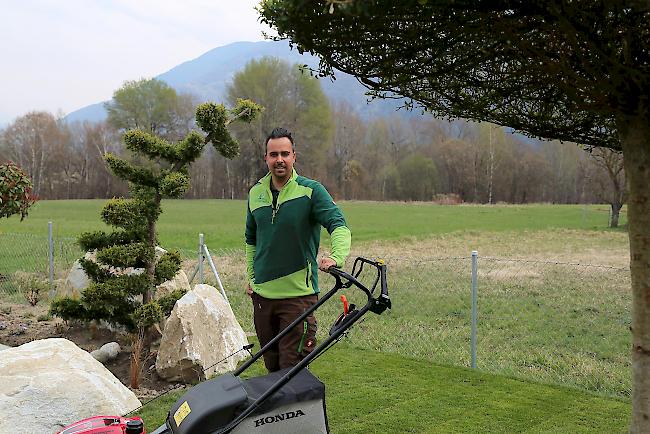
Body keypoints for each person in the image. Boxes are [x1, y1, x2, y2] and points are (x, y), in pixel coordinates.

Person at [245, 127, 351, 372]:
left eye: (284, 153)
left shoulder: (311, 191)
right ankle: (278, 412)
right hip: (262, 299)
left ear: (294, 156)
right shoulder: (255, 193)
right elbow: (251, 240)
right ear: (266, 158)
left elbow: (339, 225)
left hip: (297, 299)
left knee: (292, 371)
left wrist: (336, 257)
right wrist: (252, 276)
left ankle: (298, 411)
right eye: (273, 154)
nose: (279, 159)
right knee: (272, 368)